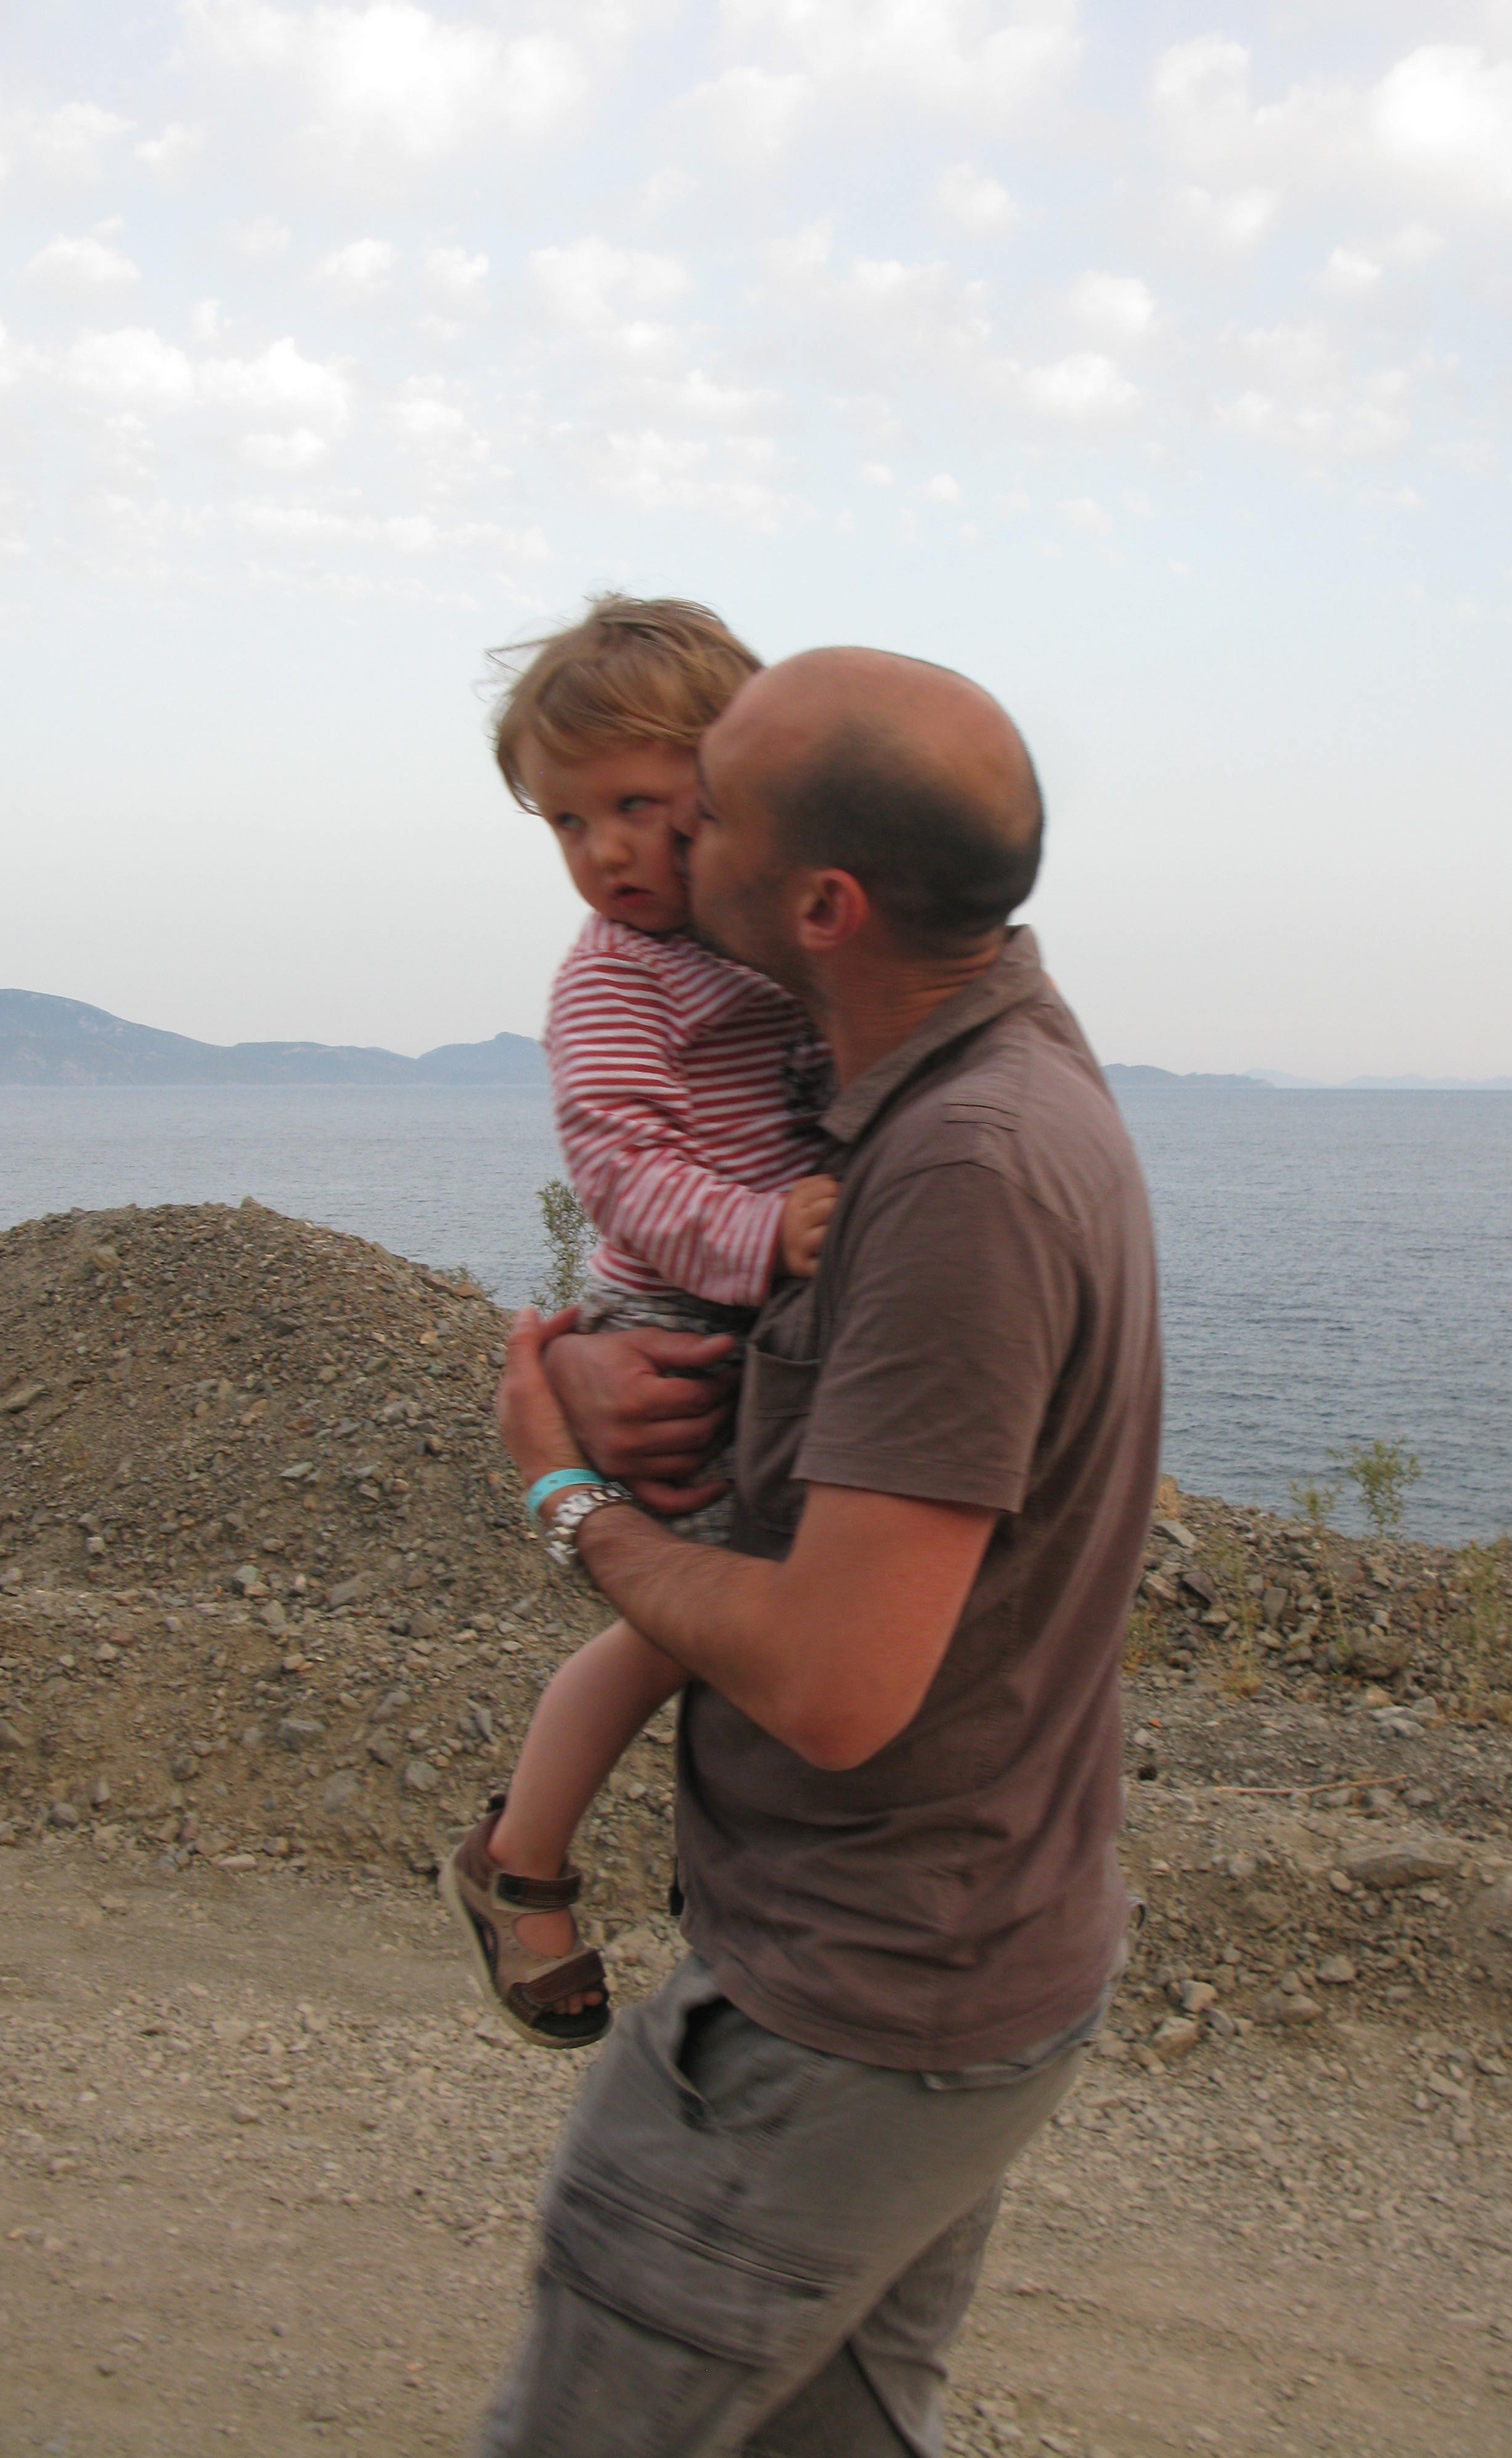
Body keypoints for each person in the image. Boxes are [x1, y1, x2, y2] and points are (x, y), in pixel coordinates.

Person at [481, 645, 1162, 2458]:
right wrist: (608, 1363)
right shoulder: (943, 1070)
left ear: (820, 905)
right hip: (947, 1953)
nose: (639, 856)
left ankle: (514, 1856)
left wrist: (564, 1489)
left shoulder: (961, 1170)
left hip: (849, 2007)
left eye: (696, 813)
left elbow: (837, 1684)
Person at [441, 596, 840, 2048]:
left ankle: (709, 1856)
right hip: (681, 1303)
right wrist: (766, 1230)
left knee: (772, 1600)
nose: (601, 850)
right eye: (566, 820)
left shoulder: (769, 939)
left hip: (764, 1305)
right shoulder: (618, 973)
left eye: (633, 804)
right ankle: (519, 1859)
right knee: (693, 1617)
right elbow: (618, 1164)